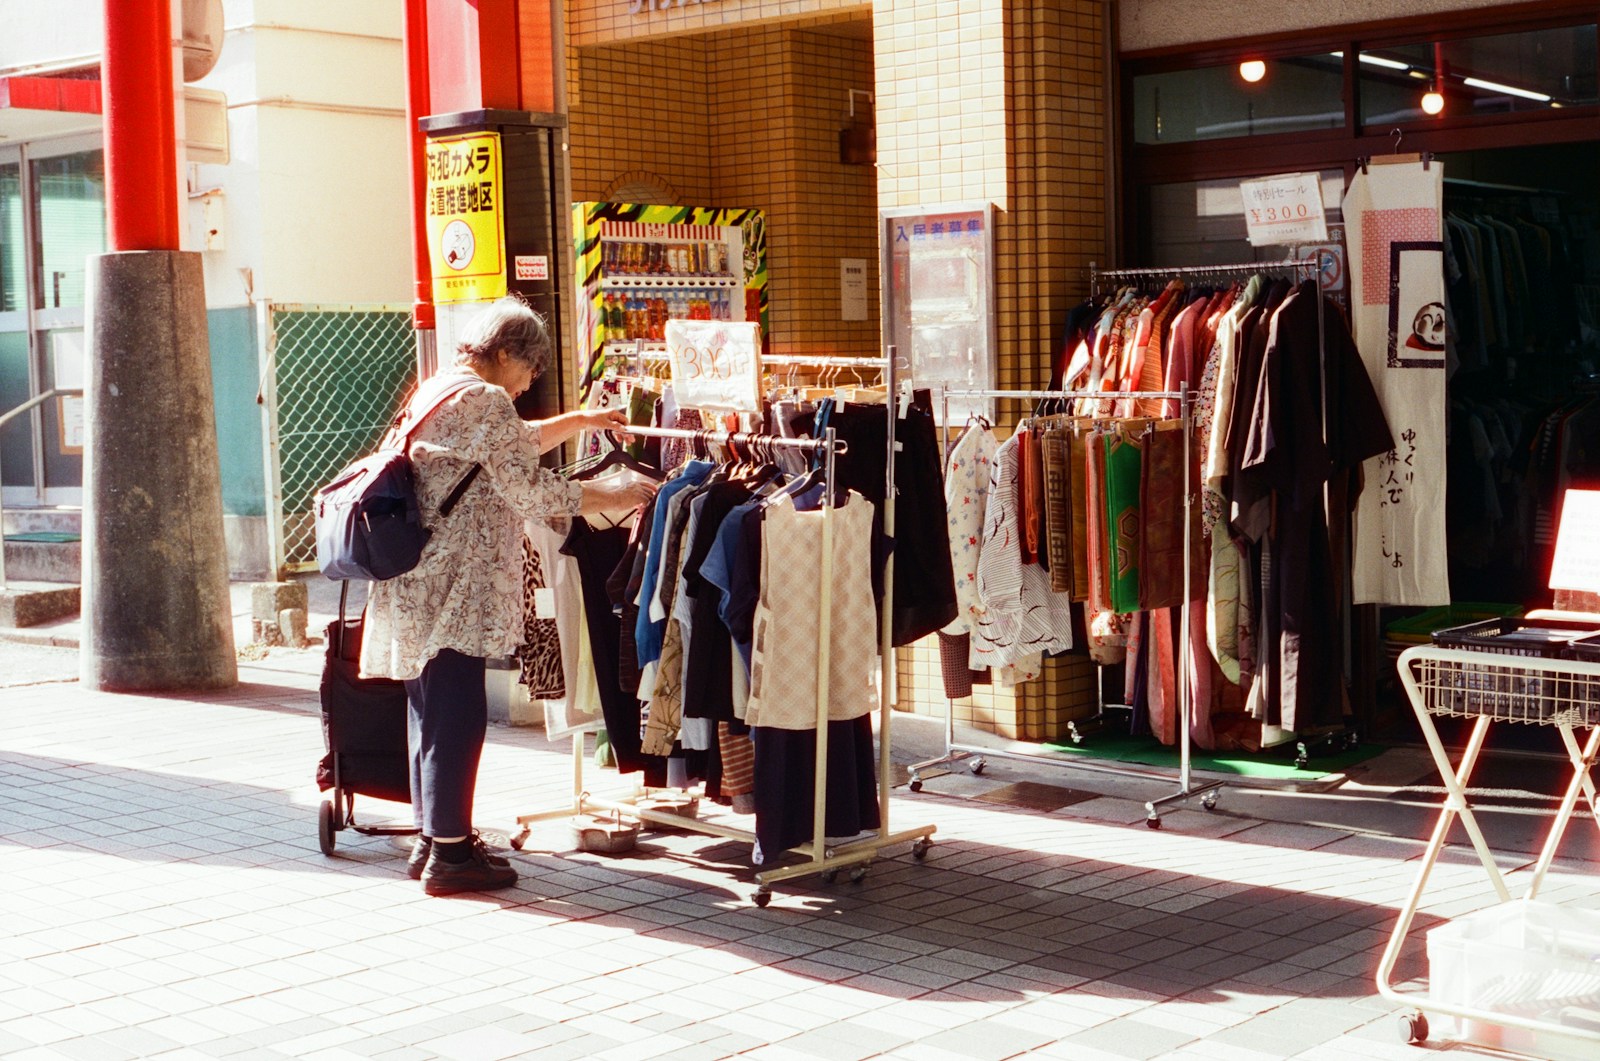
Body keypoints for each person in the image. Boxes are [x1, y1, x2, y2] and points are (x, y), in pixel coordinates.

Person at [360, 296, 657, 896]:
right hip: (457, 583)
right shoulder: (486, 398)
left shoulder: (440, 388)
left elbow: (508, 444)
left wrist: (580, 422)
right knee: (456, 711)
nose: (526, 386)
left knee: (430, 707)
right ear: (502, 355)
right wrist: (620, 493)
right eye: (528, 371)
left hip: (417, 576)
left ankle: (434, 837)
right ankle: (449, 855)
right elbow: (530, 490)